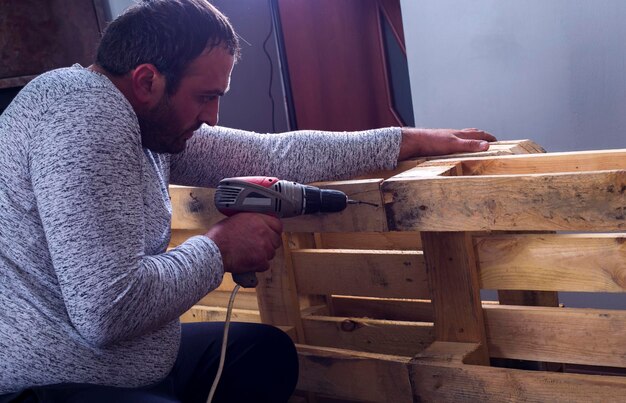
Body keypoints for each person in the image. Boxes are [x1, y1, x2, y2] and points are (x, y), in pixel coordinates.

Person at [0, 0, 495, 402]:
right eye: (204, 96)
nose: (213, 117)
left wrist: (402, 140)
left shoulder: (142, 119)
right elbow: (108, 311)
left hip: (128, 366)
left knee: (263, 355)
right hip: (58, 383)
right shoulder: (86, 117)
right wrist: (219, 248)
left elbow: (270, 152)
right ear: (147, 80)